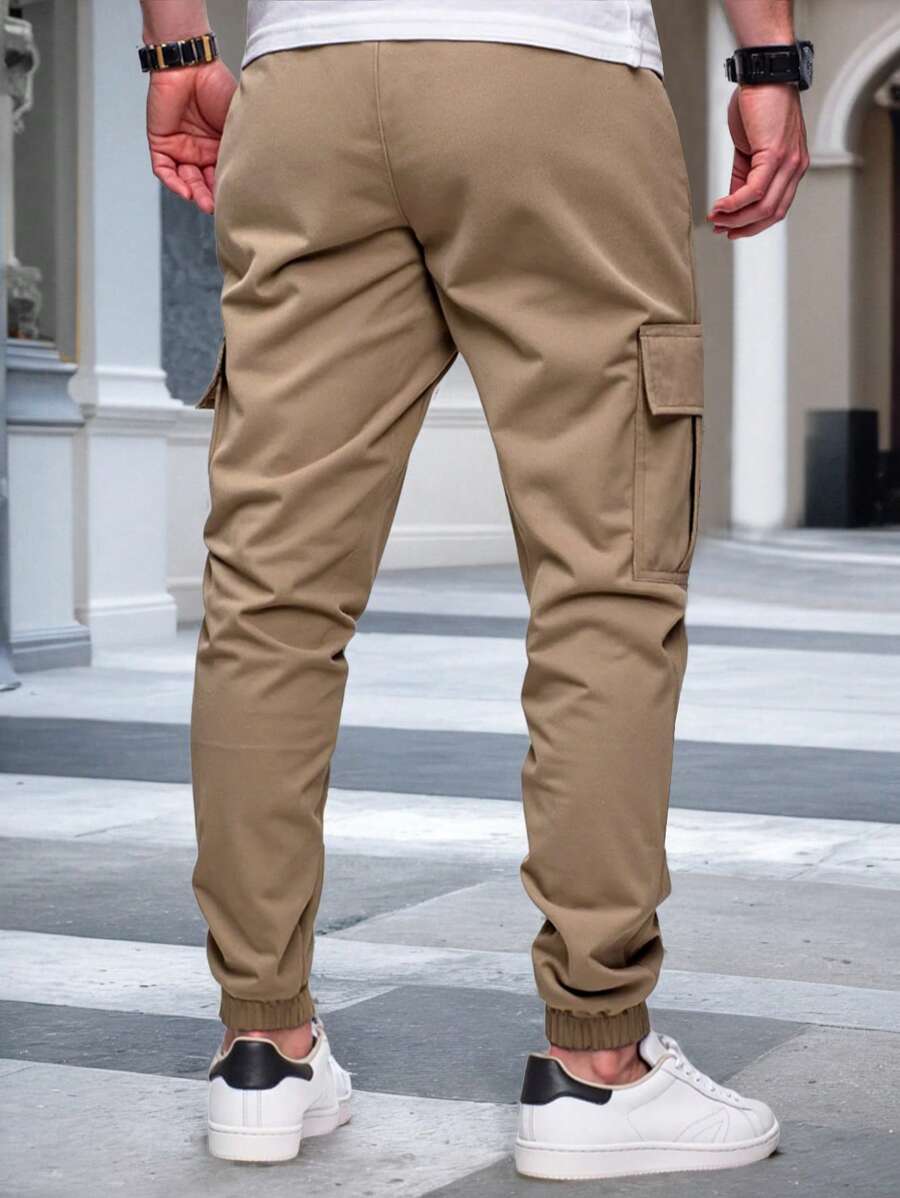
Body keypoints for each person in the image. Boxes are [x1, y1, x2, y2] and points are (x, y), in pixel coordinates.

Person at [139, 0, 810, 1179]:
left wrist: (176, 47)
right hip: (556, 68)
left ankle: (263, 1045)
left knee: (269, 596)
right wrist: (766, 60)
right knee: (605, 582)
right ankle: (597, 1066)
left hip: (308, 79)